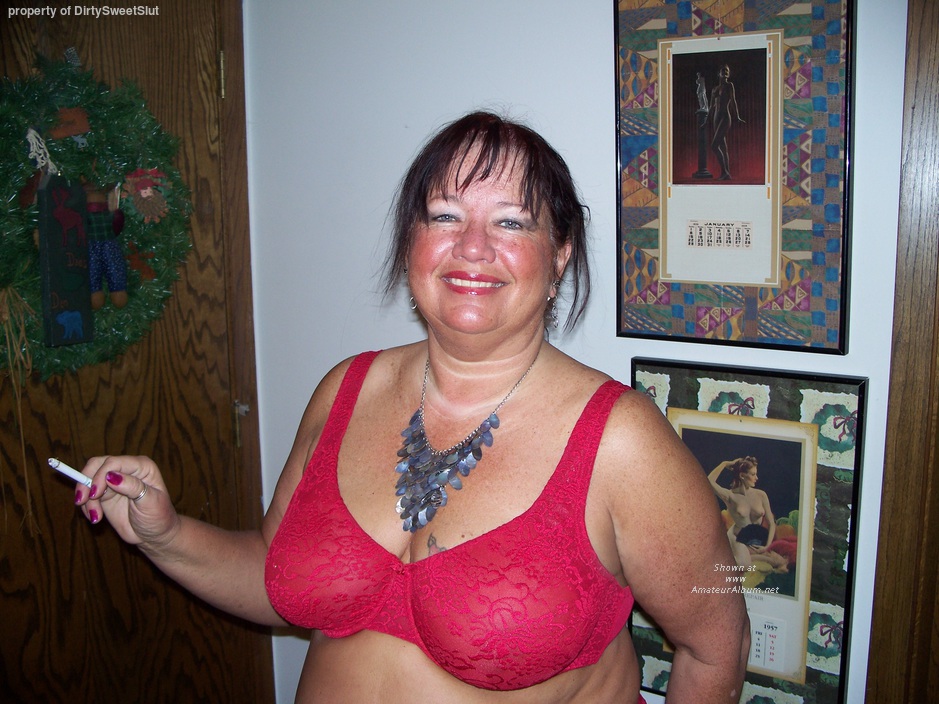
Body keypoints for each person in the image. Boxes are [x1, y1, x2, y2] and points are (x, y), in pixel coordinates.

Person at [74, 111, 749, 703]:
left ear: (560, 255)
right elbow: (274, 581)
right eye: (445, 216)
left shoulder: (623, 439)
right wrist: (164, 534)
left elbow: (718, 645)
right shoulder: (345, 389)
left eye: (511, 221)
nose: (472, 247)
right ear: (411, 243)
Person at [708, 456, 788, 572]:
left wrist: (767, 546)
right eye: (753, 474)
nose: (757, 478)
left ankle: (753, 557)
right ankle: (764, 560)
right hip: (737, 537)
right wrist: (725, 463)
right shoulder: (730, 496)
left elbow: (771, 523)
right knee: (744, 565)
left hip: (755, 540)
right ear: (742, 475)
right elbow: (709, 481)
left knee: (778, 561)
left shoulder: (761, 495)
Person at [708, 64, 745, 180]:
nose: (725, 72)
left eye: (727, 71)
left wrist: (737, 116)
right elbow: (711, 107)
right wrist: (706, 120)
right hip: (716, 118)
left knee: (714, 146)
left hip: (725, 117)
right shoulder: (714, 89)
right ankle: (727, 174)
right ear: (719, 73)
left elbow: (733, 101)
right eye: (723, 70)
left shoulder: (730, 85)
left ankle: (725, 172)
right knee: (723, 147)